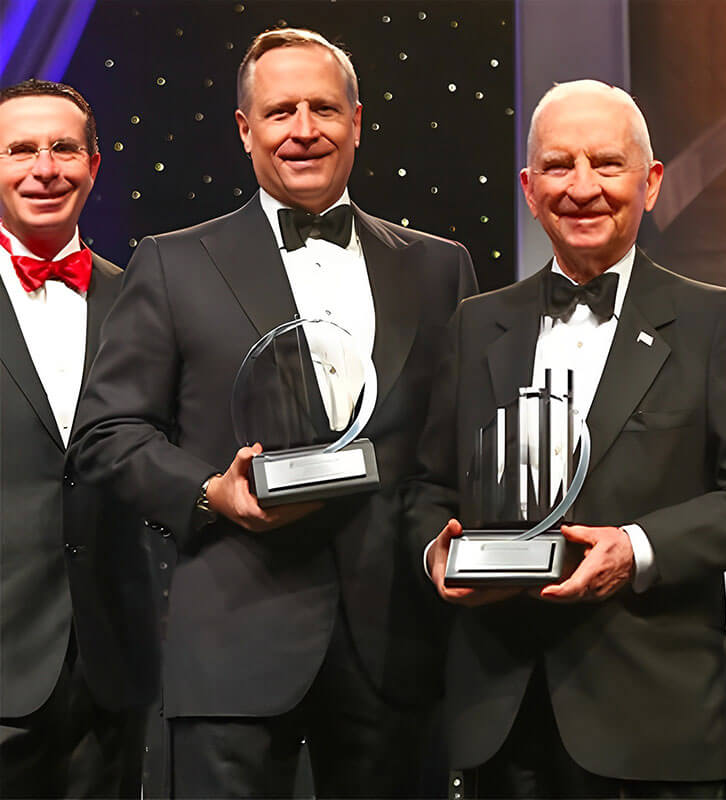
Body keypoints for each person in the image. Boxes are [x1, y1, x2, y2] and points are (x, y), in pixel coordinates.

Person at [69, 28, 477, 799]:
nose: (303, 129)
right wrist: (206, 492)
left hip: (396, 646)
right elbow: (108, 434)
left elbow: (452, 446)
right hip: (233, 641)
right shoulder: (173, 261)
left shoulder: (437, 266)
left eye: (323, 108)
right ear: (244, 128)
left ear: (357, 121)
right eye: (280, 110)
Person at [410, 80, 726, 798]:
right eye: (559, 167)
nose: (582, 187)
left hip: (651, 719)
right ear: (529, 190)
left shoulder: (716, 321)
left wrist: (636, 548)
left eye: (606, 163)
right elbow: (430, 487)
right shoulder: (475, 325)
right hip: (497, 714)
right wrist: (435, 551)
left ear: (650, 182)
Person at [0, 79, 157, 798]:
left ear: (95, 165)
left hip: (110, 668)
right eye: (20, 149)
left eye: (64, 148)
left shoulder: (145, 303)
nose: (44, 167)